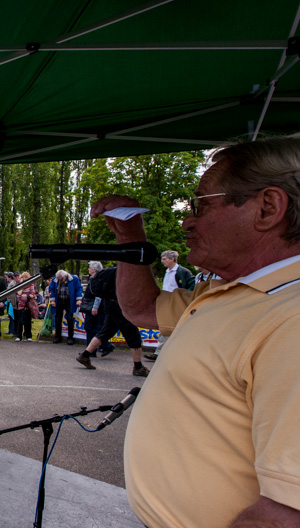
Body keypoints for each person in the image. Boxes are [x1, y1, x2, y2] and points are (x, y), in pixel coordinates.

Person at [91, 135, 300, 527]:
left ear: (268, 208)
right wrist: (130, 238)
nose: (188, 221)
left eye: (201, 205)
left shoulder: (291, 319)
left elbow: (285, 515)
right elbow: (141, 308)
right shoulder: (229, 289)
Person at [74, 266, 150, 377]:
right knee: (133, 335)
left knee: (105, 332)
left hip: (109, 304)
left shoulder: (111, 272)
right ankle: (138, 367)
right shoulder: (127, 272)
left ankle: (85, 355)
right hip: (121, 306)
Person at [146, 250, 197, 361]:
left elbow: (191, 285)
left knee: (173, 327)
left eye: (164, 259)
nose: (162, 261)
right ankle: (160, 352)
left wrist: (184, 297)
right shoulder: (167, 272)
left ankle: (163, 352)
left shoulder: (182, 272)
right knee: (165, 326)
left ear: (172, 259)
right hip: (167, 302)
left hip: (176, 303)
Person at [80, 261, 112, 357]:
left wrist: (95, 307)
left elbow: (98, 294)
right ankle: (94, 350)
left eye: (89, 267)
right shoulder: (93, 278)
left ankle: (104, 346)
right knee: (91, 327)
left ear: (94, 269)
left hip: (97, 307)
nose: (88, 269)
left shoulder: (98, 279)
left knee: (93, 327)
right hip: (94, 306)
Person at [48, 269, 83, 344]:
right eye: (59, 279)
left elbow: (79, 289)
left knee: (70, 319)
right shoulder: (55, 280)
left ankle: (70, 337)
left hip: (69, 301)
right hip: (59, 300)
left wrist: (79, 299)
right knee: (57, 319)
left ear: (65, 276)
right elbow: (51, 289)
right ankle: (57, 336)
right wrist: (52, 300)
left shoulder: (74, 279)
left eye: (61, 279)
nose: (60, 281)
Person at [13, 271, 37, 341]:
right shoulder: (20, 285)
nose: (25, 279)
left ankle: (28, 335)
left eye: (26, 277)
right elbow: (19, 293)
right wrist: (22, 287)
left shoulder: (31, 285)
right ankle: (19, 336)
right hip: (21, 304)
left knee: (28, 321)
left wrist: (26, 295)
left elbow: (32, 294)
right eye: (23, 277)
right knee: (20, 320)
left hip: (28, 304)